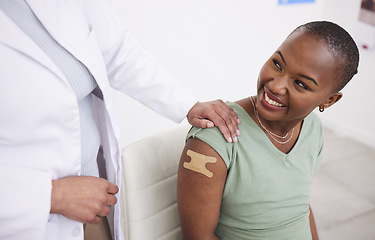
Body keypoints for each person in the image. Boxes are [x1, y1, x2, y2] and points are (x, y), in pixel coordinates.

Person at [0, 0, 241, 240]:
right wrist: (52, 196)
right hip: (24, 221)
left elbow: (120, 53)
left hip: (93, 206)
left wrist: (188, 103)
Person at [177, 21, 359, 240]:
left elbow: (299, 208)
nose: (275, 86)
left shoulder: (312, 128)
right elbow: (199, 237)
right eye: (277, 63)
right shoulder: (212, 141)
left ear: (329, 100)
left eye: (301, 84)